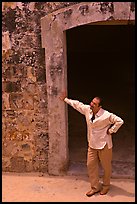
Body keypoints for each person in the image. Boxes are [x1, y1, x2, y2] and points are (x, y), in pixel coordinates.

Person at [59, 92, 124, 196]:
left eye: (94, 104)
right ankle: (95, 187)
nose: (91, 104)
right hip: (92, 144)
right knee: (90, 165)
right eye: (92, 102)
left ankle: (106, 186)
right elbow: (77, 104)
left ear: (100, 106)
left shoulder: (106, 115)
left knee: (106, 167)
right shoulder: (87, 110)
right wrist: (65, 99)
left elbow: (120, 121)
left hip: (104, 145)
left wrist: (111, 131)